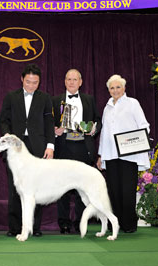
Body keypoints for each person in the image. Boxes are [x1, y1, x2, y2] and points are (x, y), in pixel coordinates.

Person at [0, 63, 55, 237]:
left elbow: (49, 124)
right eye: (28, 81)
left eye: (35, 82)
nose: (31, 85)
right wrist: (7, 135)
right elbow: (3, 120)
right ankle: (14, 227)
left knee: (36, 188)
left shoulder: (45, 98)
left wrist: (50, 146)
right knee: (15, 187)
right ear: (22, 79)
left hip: (38, 146)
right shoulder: (11, 97)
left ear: (39, 82)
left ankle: (34, 227)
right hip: (16, 147)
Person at [96, 74, 150, 233]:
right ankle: (117, 223)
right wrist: (100, 155)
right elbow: (104, 133)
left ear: (124, 88)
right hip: (111, 155)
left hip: (129, 155)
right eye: (112, 88)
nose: (115, 90)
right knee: (114, 191)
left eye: (118, 87)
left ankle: (130, 224)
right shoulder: (107, 107)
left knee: (127, 191)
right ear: (108, 90)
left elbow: (144, 126)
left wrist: (134, 141)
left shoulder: (133, 103)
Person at [52, 69, 102, 234]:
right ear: (64, 81)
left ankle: (81, 222)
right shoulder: (55, 100)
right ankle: (64, 223)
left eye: (74, 79)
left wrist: (94, 129)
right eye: (68, 79)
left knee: (83, 188)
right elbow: (48, 122)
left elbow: (98, 120)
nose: (71, 82)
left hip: (83, 147)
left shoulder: (89, 99)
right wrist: (54, 130)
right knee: (62, 189)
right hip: (63, 147)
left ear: (80, 82)